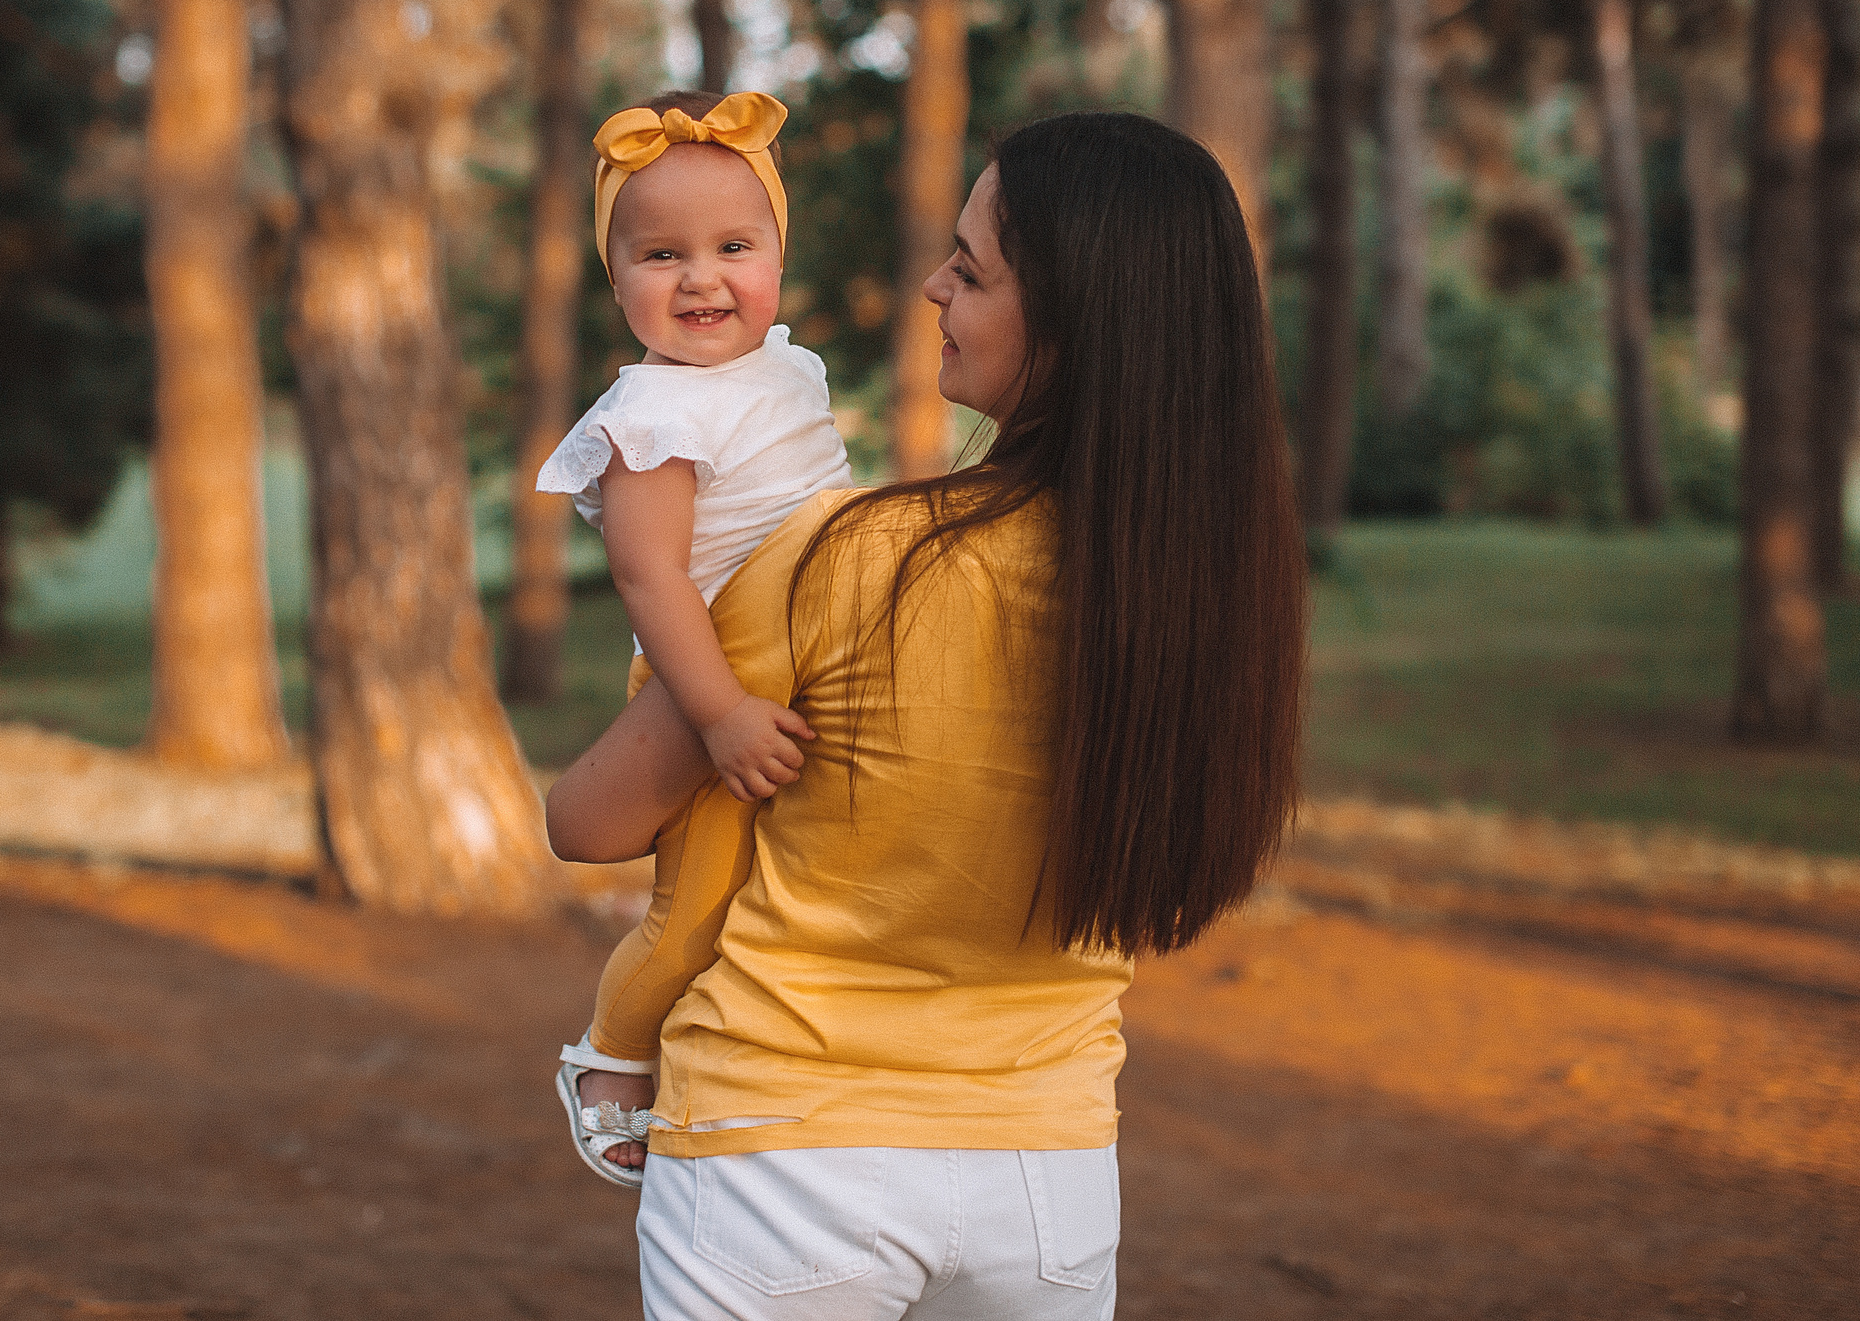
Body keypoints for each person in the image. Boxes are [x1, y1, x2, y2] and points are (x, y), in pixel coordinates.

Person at [546, 110, 1308, 1319]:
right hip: (1050, 1173)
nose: (930, 287)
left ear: (1067, 315)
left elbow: (588, 823)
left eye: (971, 266)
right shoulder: (1208, 597)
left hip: (783, 1152)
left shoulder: (850, 560)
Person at [542, 88, 855, 1188]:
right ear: (616, 277)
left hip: (799, 662)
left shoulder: (791, 369)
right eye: (660, 254)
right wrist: (714, 710)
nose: (701, 278)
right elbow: (646, 572)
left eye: (734, 245)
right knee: (695, 909)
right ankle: (612, 1057)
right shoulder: (650, 418)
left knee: (781, 891)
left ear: (777, 251)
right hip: (704, 675)